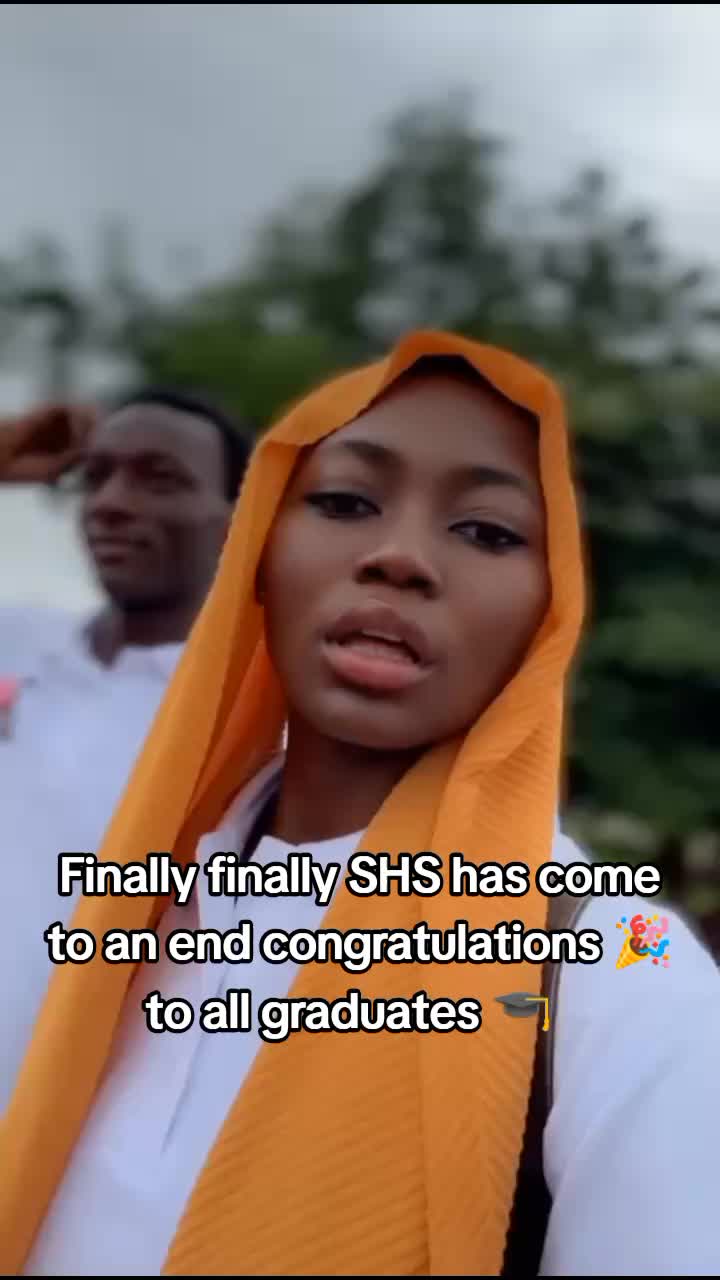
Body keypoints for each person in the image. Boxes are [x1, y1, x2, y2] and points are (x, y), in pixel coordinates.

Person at [1, 331, 718, 1277]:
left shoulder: (622, 972)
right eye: (344, 502)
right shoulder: (136, 906)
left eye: (488, 531)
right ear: (257, 554)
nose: (399, 557)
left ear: (548, 610)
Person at [0, 389, 250, 1109]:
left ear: (240, 517)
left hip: (73, 1142)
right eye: (97, 475)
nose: (110, 502)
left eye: (159, 479)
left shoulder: (256, 724)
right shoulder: (21, 645)